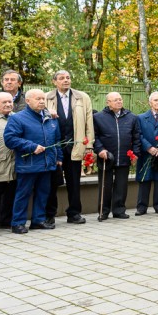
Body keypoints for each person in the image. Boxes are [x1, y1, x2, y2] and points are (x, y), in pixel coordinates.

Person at [3, 89, 64, 234]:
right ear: (28, 101)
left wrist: (59, 158)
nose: (42, 101)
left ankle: (38, 220)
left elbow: (57, 141)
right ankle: (17, 223)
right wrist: (32, 147)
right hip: (28, 164)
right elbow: (10, 139)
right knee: (23, 194)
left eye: (43, 99)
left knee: (43, 193)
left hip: (47, 163)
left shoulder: (51, 118)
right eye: (38, 99)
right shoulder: (18, 118)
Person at [45, 70, 94, 225]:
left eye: (68, 77)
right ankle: (49, 214)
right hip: (54, 146)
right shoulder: (47, 98)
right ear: (54, 82)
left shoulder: (82, 97)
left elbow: (89, 121)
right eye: (61, 78)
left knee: (74, 182)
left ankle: (74, 213)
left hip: (76, 144)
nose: (66, 80)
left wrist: (89, 144)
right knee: (52, 182)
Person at [93, 92, 141, 221]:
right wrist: (100, 150)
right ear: (108, 102)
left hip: (124, 156)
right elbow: (94, 137)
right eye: (115, 100)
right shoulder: (98, 117)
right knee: (105, 186)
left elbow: (136, 137)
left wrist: (135, 153)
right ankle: (103, 211)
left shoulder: (131, 117)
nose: (119, 102)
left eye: (120, 99)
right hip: (106, 157)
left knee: (121, 185)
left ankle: (119, 210)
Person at [0, 92, 16, 233]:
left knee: (10, 194)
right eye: (4, 102)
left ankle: (6, 221)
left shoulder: (16, 117)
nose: (8, 104)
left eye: (10, 101)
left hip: (13, 164)